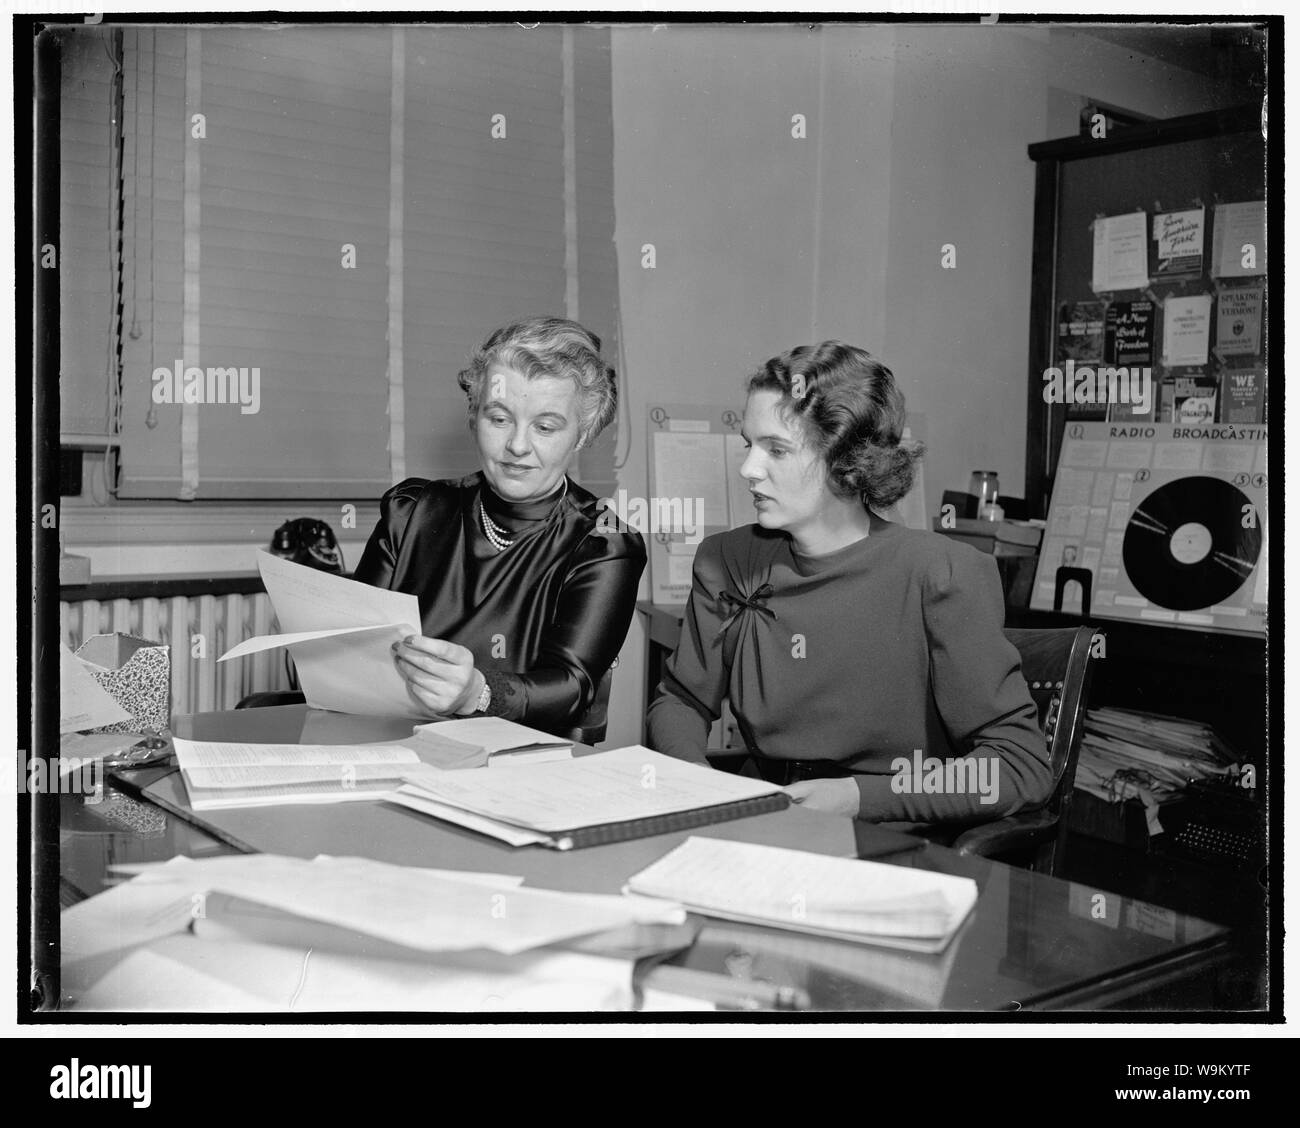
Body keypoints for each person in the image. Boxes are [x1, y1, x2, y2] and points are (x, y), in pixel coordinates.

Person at [646, 341, 1050, 826]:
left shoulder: (942, 573)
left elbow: (1019, 767)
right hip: (764, 822)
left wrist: (858, 797)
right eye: (748, 445)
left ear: (846, 459)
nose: (748, 468)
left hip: (891, 832)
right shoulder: (727, 560)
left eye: (776, 449)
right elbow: (682, 701)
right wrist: (695, 778)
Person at [354, 316, 646, 735]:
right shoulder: (412, 511)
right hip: (390, 741)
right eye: (499, 418)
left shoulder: (603, 542)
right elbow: (355, 649)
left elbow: (572, 686)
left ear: (582, 435)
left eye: (545, 427)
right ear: (475, 415)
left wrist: (478, 692)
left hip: (523, 768)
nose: (517, 446)